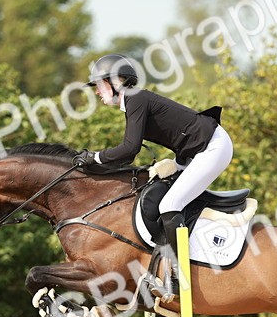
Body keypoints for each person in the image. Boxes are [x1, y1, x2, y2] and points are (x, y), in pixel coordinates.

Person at [74, 54, 233, 301]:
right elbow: (128, 156)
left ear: (116, 81)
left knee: (170, 204)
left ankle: (179, 277)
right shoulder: (134, 102)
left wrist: (94, 158)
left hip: (212, 147)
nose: (96, 92)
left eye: (99, 84)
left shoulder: (135, 98)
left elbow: (129, 149)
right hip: (194, 151)